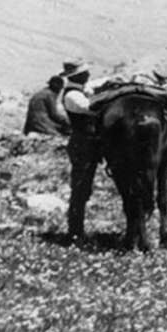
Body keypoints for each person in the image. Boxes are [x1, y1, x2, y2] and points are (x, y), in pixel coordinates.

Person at [60, 62, 101, 239]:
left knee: (83, 186)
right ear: (75, 76)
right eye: (84, 72)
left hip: (87, 143)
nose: (88, 74)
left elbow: (93, 85)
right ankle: (75, 230)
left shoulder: (78, 90)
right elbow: (89, 107)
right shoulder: (73, 96)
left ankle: (76, 228)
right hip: (82, 143)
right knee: (80, 186)